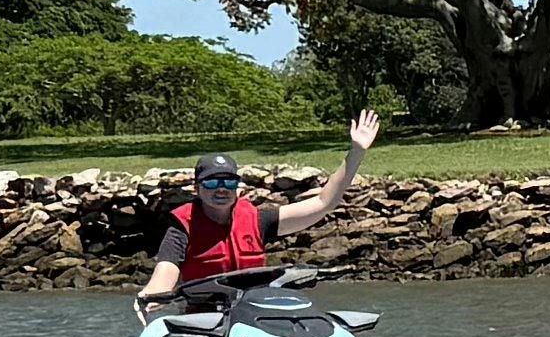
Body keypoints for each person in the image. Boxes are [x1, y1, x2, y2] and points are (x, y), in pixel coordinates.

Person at [140, 112, 381, 312]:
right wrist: (152, 295)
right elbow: (165, 273)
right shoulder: (182, 228)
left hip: (253, 316)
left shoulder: (258, 220)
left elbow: (323, 202)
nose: (221, 189)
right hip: (202, 321)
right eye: (212, 182)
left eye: (229, 182)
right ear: (197, 188)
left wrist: (357, 152)